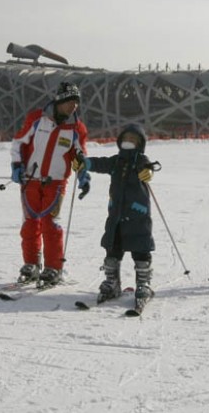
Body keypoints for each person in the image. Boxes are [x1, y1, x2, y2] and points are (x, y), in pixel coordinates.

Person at [10, 81, 89, 287]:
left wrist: (83, 174)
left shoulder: (76, 128)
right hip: (30, 181)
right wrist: (17, 165)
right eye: (70, 102)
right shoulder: (37, 119)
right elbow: (19, 142)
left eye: (76, 103)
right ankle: (31, 264)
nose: (73, 106)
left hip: (55, 183)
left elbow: (79, 155)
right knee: (30, 224)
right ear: (59, 100)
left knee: (50, 224)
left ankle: (54, 267)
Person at [74, 124, 156, 304]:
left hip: (137, 215)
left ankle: (143, 283)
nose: (129, 142)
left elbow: (148, 167)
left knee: (141, 248)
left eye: (133, 139)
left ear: (140, 143)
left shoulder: (140, 160)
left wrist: (147, 172)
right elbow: (100, 163)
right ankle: (112, 282)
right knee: (113, 249)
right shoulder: (115, 161)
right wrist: (85, 163)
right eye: (126, 138)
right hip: (116, 215)